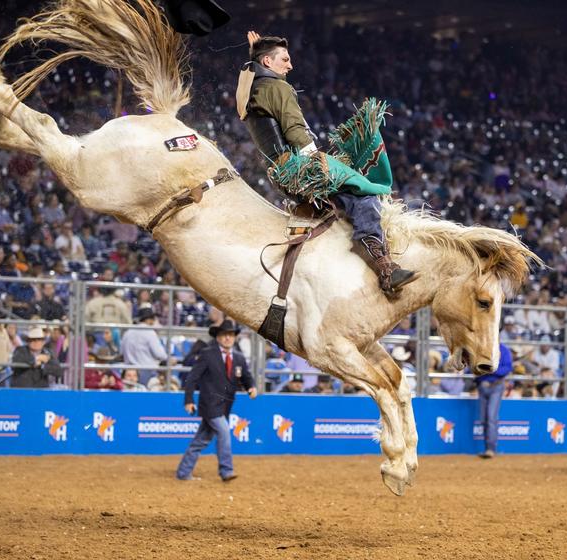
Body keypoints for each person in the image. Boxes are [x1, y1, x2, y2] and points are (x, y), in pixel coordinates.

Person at [236, 32, 416, 295]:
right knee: (364, 191)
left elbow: (250, 79)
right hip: (299, 168)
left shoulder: (253, 90)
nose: (290, 65)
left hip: (282, 173)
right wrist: (319, 161)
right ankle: (385, 268)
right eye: (284, 59)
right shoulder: (279, 88)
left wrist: (254, 56)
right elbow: (295, 128)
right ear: (267, 61)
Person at [177, 320, 256, 482]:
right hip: (209, 405)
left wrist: (251, 387)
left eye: (230, 334)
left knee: (201, 440)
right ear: (218, 338)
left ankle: (183, 472)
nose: (227, 338)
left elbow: (246, 377)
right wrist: (188, 400)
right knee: (224, 432)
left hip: (225, 406)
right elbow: (192, 378)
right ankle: (226, 470)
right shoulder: (207, 354)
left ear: (234, 337)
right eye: (224, 335)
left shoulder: (239, 358)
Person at [120, 306, 176, 385]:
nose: (154, 321)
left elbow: (121, 352)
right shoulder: (149, 332)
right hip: (147, 373)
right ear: (149, 320)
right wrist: (171, 359)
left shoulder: (128, 332)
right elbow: (160, 355)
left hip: (129, 372)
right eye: (153, 319)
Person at [477, 342, 513, 459]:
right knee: (484, 419)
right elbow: (475, 368)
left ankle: (490, 449)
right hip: (483, 385)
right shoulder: (482, 348)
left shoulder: (503, 349)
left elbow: (507, 368)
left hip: (496, 386)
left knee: (491, 417)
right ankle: (487, 447)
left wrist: (490, 370)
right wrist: (486, 372)